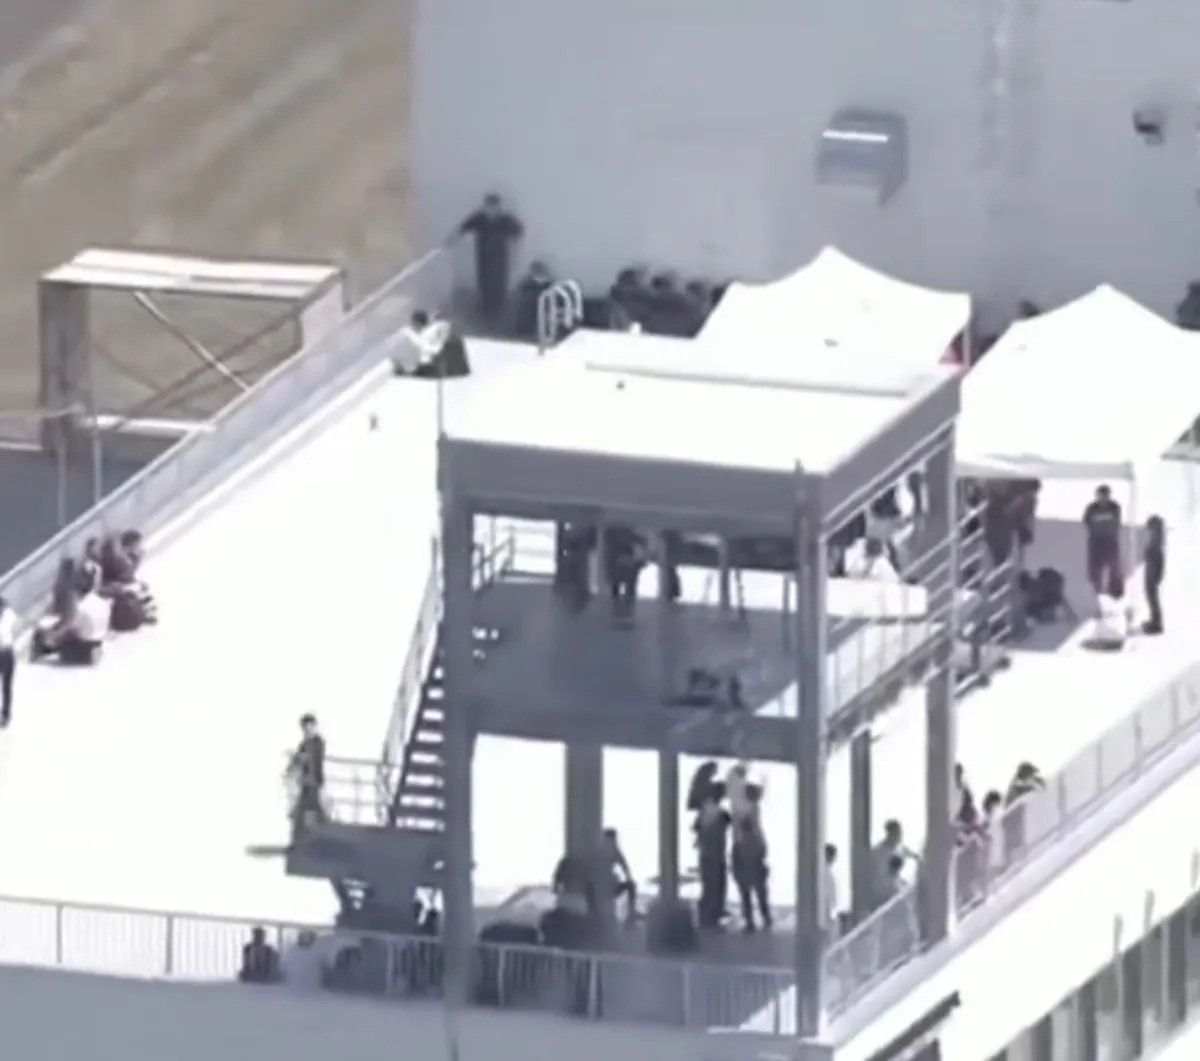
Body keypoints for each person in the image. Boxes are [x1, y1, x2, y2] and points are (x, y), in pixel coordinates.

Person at [459, 193, 523, 322]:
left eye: (494, 207)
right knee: (484, 283)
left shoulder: (505, 220)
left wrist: (514, 240)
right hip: (483, 257)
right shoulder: (480, 219)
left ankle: (498, 313)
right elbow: (464, 227)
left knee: (498, 283)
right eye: (488, 207)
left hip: (500, 257)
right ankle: (485, 312)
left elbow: (518, 230)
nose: (491, 210)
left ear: (498, 207)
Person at [1082, 485, 1123, 600]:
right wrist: (1095, 531)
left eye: (1105, 495)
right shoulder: (1091, 508)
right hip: (1096, 540)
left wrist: (1109, 530)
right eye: (1101, 495)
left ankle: (1114, 591)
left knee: (1114, 565)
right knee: (1095, 566)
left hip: (1110, 539)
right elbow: (1086, 521)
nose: (1103, 498)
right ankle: (1096, 588)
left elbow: (1116, 522)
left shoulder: (1114, 507)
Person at [289, 714, 327, 833]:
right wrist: (291, 767)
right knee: (307, 807)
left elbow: (312, 757)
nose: (306, 730)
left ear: (313, 726)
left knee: (310, 807)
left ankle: (322, 827)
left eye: (308, 727)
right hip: (306, 781)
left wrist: (300, 757)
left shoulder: (317, 742)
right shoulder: (304, 743)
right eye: (304, 727)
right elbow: (298, 758)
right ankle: (306, 830)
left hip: (314, 780)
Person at [1142, 515, 1165, 635]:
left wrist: (1156, 575)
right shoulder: (1157, 541)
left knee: (1153, 598)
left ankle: (1156, 624)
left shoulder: (1156, 542)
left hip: (1152, 573)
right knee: (1152, 598)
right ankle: (1154, 621)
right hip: (1152, 573)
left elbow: (1157, 559)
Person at [0, 596, 16, 726]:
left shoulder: (7, 612)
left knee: (6, 686)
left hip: (5, 652)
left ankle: (6, 714)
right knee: (6, 686)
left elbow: (3, 631)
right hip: (5, 651)